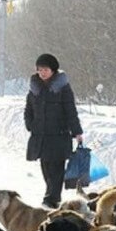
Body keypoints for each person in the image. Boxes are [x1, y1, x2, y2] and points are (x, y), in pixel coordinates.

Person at [24, 53, 83, 208]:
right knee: (46, 169)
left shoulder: (63, 88)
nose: (42, 72)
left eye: (45, 69)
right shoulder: (34, 88)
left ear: (53, 70)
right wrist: (30, 124)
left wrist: (77, 131)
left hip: (58, 136)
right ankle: (50, 195)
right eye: (39, 69)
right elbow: (28, 109)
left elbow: (71, 111)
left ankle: (52, 199)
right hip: (41, 137)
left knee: (57, 169)